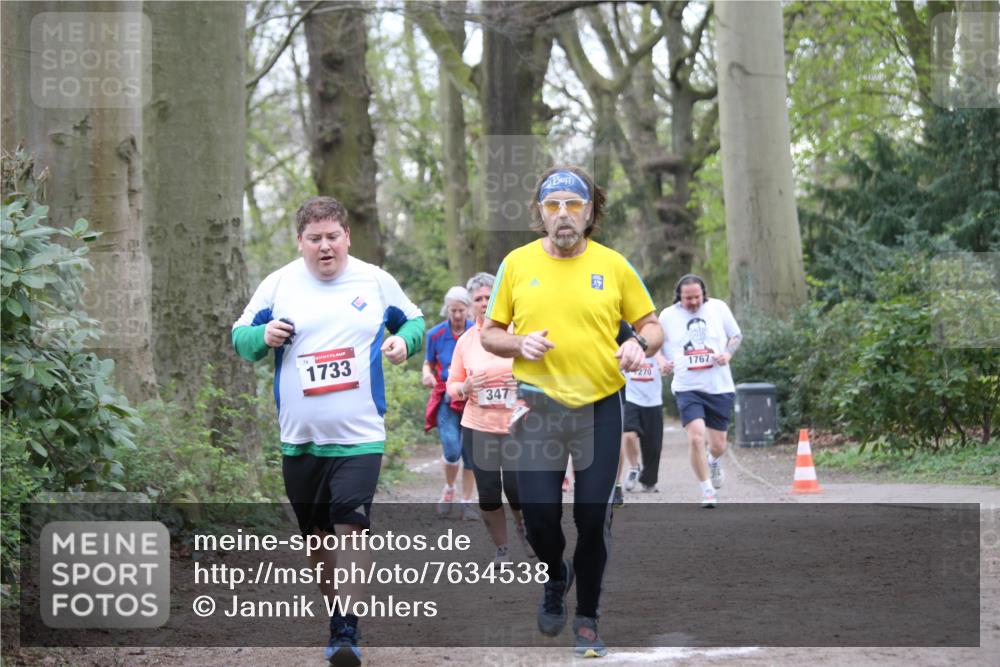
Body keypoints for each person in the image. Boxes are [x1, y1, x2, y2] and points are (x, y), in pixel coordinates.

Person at [231, 196, 424, 667]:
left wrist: (403, 342)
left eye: (333, 237)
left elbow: (414, 321)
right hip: (300, 440)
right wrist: (263, 337)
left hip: (360, 435)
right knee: (318, 540)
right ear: (300, 241)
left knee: (352, 527)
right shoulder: (278, 284)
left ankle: (346, 628)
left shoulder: (374, 280)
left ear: (347, 237)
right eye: (314, 238)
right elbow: (241, 337)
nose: (325, 246)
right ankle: (336, 612)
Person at [481, 165, 663, 658]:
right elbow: (490, 334)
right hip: (539, 407)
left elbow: (652, 324)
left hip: (599, 407)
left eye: (574, 204)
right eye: (553, 205)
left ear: (590, 212)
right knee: (539, 516)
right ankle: (554, 575)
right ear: (540, 212)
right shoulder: (516, 264)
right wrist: (519, 342)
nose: (563, 214)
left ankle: (586, 617)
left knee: (592, 517)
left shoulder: (614, 265)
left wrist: (639, 345)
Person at [446, 272, 534, 563]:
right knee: (488, 492)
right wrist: (465, 387)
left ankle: (524, 529)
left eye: (489, 297)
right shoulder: (466, 342)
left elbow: (541, 373)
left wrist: (522, 385)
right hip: (478, 426)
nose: (484, 303)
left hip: (516, 425)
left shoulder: (518, 333)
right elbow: (451, 386)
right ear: (471, 305)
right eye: (478, 299)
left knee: (516, 488)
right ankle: (501, 548)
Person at [658, 274, 742, 508]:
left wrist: (727, 354)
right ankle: (707, 490)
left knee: (718, 445)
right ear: (679, 297)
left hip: (718, 386)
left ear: (704, 294)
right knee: (696, 438)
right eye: (688, 298)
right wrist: (661, 362)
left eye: (697, 297)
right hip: (687, 387)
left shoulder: (718, 308)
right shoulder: (667, 316)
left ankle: (712, 460)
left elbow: (736, 335)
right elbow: (655, 345)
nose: (693, 302)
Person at [423, 286, 476, 519]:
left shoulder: (476, 332)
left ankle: (467, 503)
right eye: (453, 310)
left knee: (471, 455)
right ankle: (449, 487)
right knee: (452, 450)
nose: (456, 315)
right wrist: (427, 374)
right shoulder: (435, 334)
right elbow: (428, 362)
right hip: (447, 398)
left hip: (473, 398)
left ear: (468, 309)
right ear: (447, 309)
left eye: (461, 310)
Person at [618, 348, 670, 498]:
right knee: (628, 435)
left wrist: (664, 364)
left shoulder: (658, 344)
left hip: (653, 400)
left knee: (653, 446)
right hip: (631, 398)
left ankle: (648, 481)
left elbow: (665, 364)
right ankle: (634, 467)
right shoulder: (629, 341)